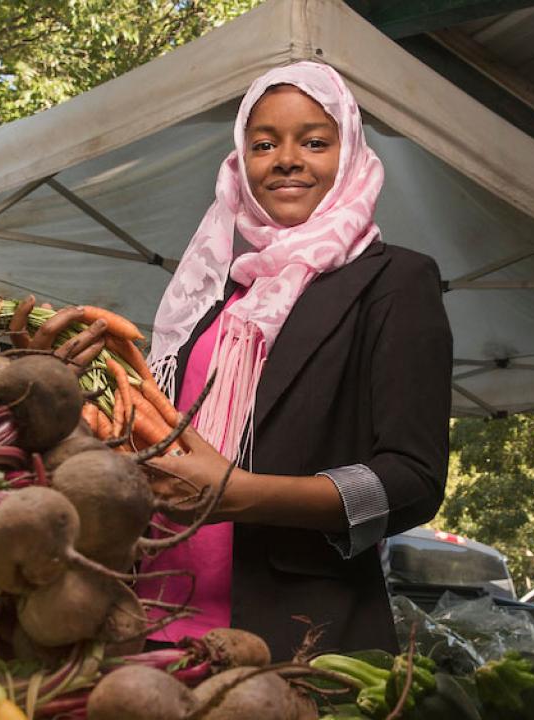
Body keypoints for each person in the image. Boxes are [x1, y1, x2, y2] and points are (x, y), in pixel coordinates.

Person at [131, 61, 453, 660]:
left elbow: (413, 480)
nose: (285, 159)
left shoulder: (394, 280)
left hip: (292, 637)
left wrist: (244, 493)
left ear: (350, 151)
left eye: (313, 141)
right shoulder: (215, 300)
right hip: (154, 624)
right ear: (239, 163)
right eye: (262, 144)